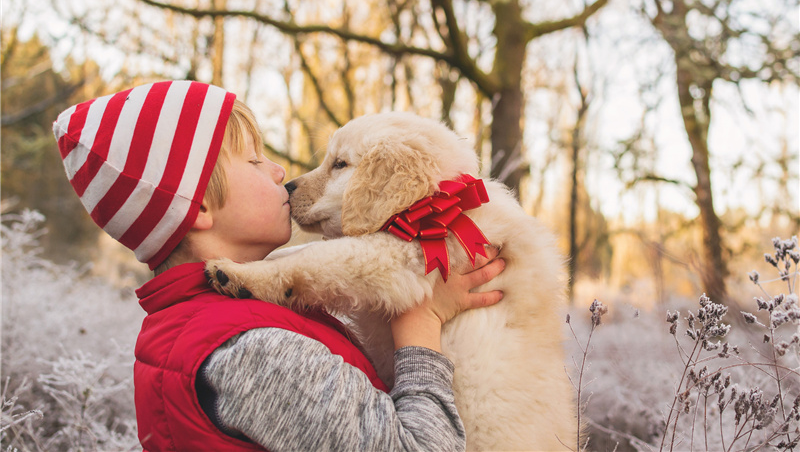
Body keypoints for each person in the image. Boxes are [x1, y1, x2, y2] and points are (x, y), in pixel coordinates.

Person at [53, 80, 505, 452]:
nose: (277, 170)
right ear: (198, 208)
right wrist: (421, 320)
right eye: (254, 159)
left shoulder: (221, 320)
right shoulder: (249, 353)